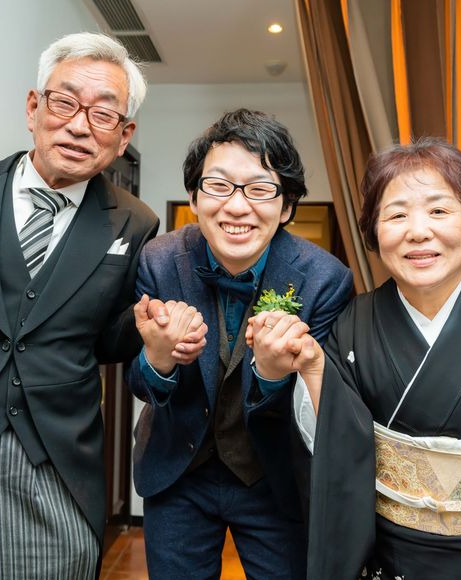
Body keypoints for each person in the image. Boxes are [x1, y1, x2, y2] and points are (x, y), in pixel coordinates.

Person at [0, 32, 198, 579]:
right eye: (65, 102)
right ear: (34, 107)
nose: (79, 126)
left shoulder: (135, 222)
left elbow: (106, 339)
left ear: (123, 137)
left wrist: (148, 334)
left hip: (50, 459)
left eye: (103, 114)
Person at [250, 137, 461, 579]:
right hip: (391, 555)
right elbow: (332, 444)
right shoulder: (353, 322)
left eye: (439, 210)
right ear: (374, 234)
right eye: (397, 214)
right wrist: (312, 369)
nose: (418, 231)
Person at [125, 108, 353, 579]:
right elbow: (141, 385)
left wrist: (272, 376)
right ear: (194, 196)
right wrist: (159, 359)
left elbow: (320, 407)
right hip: (178, 470)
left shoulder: (325, 280)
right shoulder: (159, 261)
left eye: (259, 189)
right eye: (219, 185)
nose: (236, 206)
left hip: (273, 477)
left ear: (286, 206)